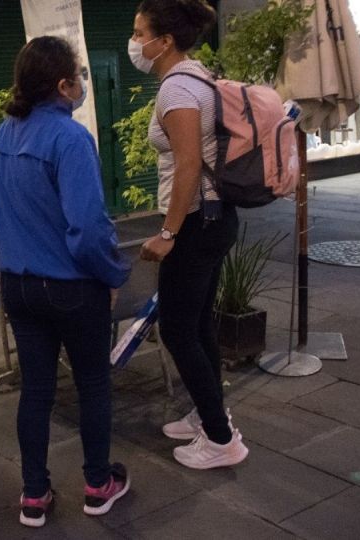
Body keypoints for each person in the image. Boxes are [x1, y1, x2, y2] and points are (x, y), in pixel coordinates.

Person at [0, 36, 131, 527]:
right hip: (72, 289)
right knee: (93, 385)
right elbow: (86, 230)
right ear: (63, 84)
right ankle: (98, 486)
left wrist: (20, 246)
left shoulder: (2, 134)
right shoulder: (70, 139)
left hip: (17, 287)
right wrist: (112, 274)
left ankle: (34, 495)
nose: (82, 83)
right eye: (78, 75)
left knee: (36, 390)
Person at [133, 0, 249, 469]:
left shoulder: (177, 90)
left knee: (178, 330)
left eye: (140, 33)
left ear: (164, 42)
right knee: (198, 324)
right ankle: (208, 412)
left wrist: (168, 232)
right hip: (217, 218)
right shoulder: (199, 77)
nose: (136, 43)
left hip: (196, 223)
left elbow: (185, 167)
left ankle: (222, 440)